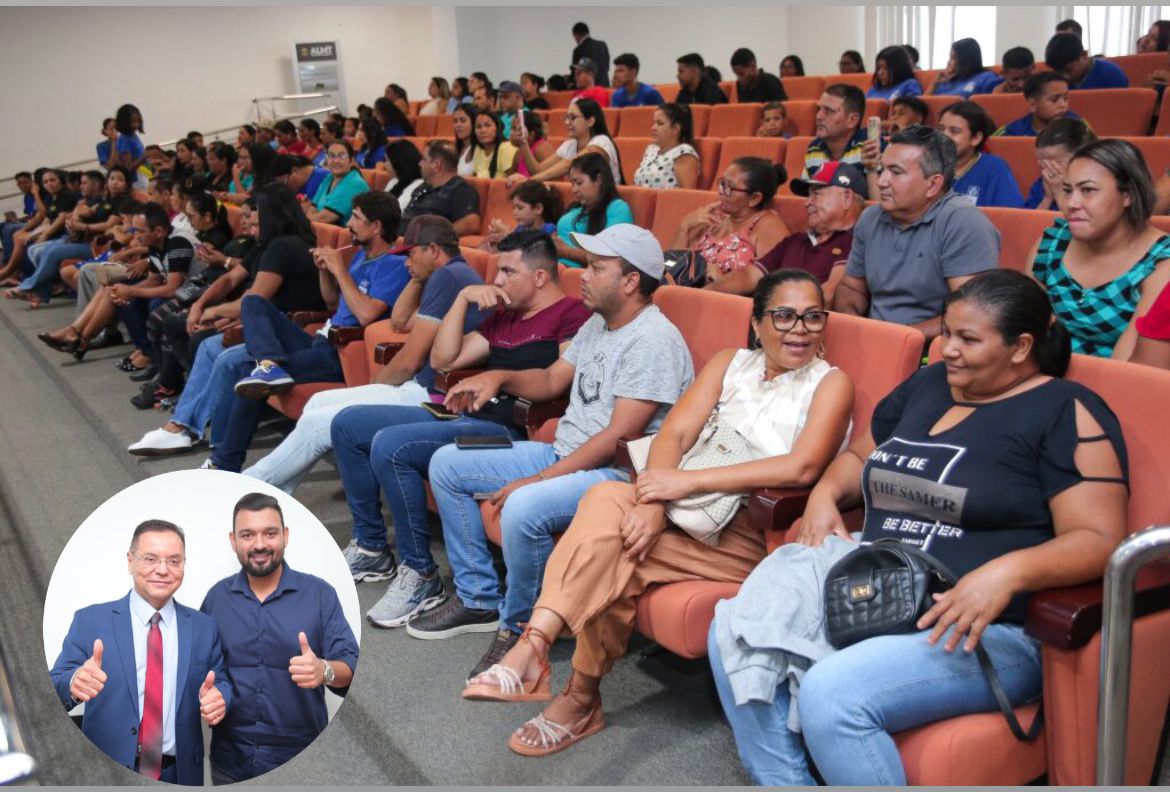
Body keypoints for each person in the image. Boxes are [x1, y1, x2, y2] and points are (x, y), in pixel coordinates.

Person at [710, 268, 1127, 786]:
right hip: (874, 581)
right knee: (734, 628)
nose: (947, 348)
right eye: (947, 332)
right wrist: (823, 494)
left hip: (985, 623)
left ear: (1021, 346)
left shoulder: (1066, 411)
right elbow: (863, 453)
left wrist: (1007, 573)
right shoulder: (932, 383)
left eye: (968, 339)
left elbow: (1100, 539)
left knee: (833, 692)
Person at [461, 266, 853, 758]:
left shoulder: (830, 383)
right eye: (784, 316)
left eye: (813, 317)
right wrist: (653, 502)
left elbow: (802, 466)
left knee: (618, 546)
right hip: (683, 510)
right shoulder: (732, 363)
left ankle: (564, 683)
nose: (799, 329)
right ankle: (539, 650)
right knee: (608, 504)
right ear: (757, 324)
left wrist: (679, 484)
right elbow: (674, 435)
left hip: (748, 532)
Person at [412, 224, 694, 678]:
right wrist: (499, 377)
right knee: (446, 465)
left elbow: (616, 438)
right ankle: (478, 597)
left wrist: (539, 479)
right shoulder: (600, 323)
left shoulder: (654, 340)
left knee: (523, 506)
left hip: (618, 474)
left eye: (596, 268)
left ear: (630, 281)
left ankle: (520, 627)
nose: (580, 275)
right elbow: (550, 381)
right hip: (566, 452)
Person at [332, 231, 592, 620]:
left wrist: (500, 376)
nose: (497, 280)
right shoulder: (505, 315)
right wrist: (461, 300)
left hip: (512, 430)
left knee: (391, 445)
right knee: (349, 424)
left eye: (507, 271)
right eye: (497, 270)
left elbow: (559, 380)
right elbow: (443, 360)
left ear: (539, 277)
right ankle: (372, 548)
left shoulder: (572, 314)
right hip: (468, 416)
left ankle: (420, 574)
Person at [241, 214, 487, 495]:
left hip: (431, 396)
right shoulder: (447, 274)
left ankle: (251, 486)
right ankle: (276, 493)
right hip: (419, 387)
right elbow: (400, 322)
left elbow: (409, 362)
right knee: (317, 403)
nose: (405, 262)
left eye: (410, 254)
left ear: (433, 250)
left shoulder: (448, 277)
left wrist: (372, 388)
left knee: (317, 421)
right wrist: (417, 277)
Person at [203, 191, 411, 472]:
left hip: (341, 353)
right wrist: (325, 272)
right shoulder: (360, 256)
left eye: (357, 218)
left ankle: (224, 463)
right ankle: (269, 363)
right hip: (319, 340)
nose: (349, 223)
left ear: (376, 227)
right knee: (253, 302)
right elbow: (332, 303)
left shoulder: (395, 265)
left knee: (245, 373)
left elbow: (366, 314)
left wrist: (340, 272)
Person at [125, 186, 325, 456]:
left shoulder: (285, 247)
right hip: (268, 324)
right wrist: (199, 304)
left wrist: (214, 312)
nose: (250, 219)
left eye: (256, 213)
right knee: (204, 341)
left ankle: (186, 427)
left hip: (287, 327)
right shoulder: (267, 245)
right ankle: (183, 424)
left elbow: (255, 300)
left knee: (215, 349)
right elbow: (231, 278)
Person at [49, 520, 233, 784]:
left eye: (174, 561)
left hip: (179, 774)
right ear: (130, 561)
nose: (162, 570)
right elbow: (54, 683)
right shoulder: (90, 621)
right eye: (150, 559)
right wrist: (74, 681)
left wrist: (220, 698)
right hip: (106, 770)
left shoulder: (204, 626)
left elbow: (222, 681)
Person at [200, 493, 358, 785]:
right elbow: (204, 670)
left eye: (270, 533)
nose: (259, 544)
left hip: (302, 760)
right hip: (230, 761)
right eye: (248, 534)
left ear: (285, 536)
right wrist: (206, 694)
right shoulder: (216, 599)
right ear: (233, 540)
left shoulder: (319, 595)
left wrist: (323, 669)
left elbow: (350, 666)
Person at [833, 126, 999, 341]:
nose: (881, 181)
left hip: (933, 351)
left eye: (896, 172)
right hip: (872, 342)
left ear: (933, 185)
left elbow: (972, 313)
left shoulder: (963, 222)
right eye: (882, 169)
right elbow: (851, 287)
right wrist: (854, 326)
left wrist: (899, 339)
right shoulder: (870, 218)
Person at [1030, 139, 1170, 359]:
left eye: (1088, 190)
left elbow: (1127, 366)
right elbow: (1022, 331)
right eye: (1067, 190)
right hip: (1042, 375)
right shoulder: (1052, 243)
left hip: (1113, 384)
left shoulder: (1161, 262)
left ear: (1128, 195)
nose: (1071, 203)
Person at [709, 162, 865, 298]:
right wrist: (704, 293)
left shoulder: (856, 243)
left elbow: (831, 293)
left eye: (816, 194)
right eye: (808, 196)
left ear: (847, 198)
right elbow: (749, 275)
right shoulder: (795, 241)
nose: (807, 203)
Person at [669, 157, 790, 280]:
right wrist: (684, 227)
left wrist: (721, 281)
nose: (721, 192)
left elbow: (773, 283)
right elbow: (671, 267)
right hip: (684, 292)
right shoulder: (712, 218)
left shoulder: (768, 225)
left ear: (755, 198)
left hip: (725, 298)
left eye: (729, 188)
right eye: (722, 184)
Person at [510, 98, 621, 186]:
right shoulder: (569, 144)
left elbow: (571, 164)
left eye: (572, 118)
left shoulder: (602, 142)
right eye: (566, 117)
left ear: (590, 121)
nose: (567, 122)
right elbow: (538, 170)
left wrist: (529, 181)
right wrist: (523, 142)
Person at [938, 102, 1025, 208]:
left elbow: (1010, 214)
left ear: (976, 138)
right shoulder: (927, 164)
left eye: (954, 131)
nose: (944, 136)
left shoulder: (994, 167)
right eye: (940, 129)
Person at [554, 153, 634, 266]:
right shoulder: (576, 208)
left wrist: (567, 252)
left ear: (598, 179)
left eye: (579, 183)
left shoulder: (617, 208)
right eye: (572, 184)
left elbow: (612, 258)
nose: (574, 190)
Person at [399, 140, 482, 237]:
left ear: (436, 165)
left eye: (424, 159)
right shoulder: (423, 186)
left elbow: (472, 223)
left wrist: (435, 236)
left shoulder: (461, 190)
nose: (420, 164)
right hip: (399, 240)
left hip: (419, 246)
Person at [1023, 117, 1096, 211]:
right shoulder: (1041, 185)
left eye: (1057, 162)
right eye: (1042, 164)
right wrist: (1047, 199)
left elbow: (1079, 223)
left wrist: (1059, 193)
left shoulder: (1093, 187)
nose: (1047, 169)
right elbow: (1031, 223)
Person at [803, 84, 868, 178]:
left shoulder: (870, 146)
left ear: (852, 120)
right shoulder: (814, 149)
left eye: (828, 111)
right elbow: (807, 191)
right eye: (819, 109)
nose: (818, 116)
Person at [479, 181, 563, 252]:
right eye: (513, 208)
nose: (515, 212)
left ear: (538, 208)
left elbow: (535, 254)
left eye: (520, 208)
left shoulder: (550, 231)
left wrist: (508, 237)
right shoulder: (520, 229)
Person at [300, 140, 369, 226]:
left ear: (351, 160)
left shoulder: (354, 183)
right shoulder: (329, 178)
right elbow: (312, 208)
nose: (336, 161)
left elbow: (324, 218)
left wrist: (307, 219)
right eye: (331, 156)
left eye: (342, 156)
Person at [633, 104, 700, 190]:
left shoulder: (684, 153)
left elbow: (687, 195)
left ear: (676, 129)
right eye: (654, 123)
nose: (653, 128)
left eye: (660, 123)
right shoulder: (651, 149)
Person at [993, 72, 1081, 137]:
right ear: (1032, 105)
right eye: (1054, 100)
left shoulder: (1079, 125)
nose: (1063, 105)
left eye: (1065, 98)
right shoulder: (1012, 132)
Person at [1046, 32, 1129, 89]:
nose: (1064, 77)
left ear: (1083, 55)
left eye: (1068, 70)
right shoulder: (1055, 80)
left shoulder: (1112, 75)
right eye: (1058, 72)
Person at [930, 38, 1003, 98]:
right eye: (950, 57)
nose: (948, 62)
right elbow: (922, 105)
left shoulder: (987, 77)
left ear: (967, 61)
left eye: (953, 58)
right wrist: (934, 83)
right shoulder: (946, 81)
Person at [470, 111, 520, 179]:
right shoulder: (478, 149)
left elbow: (511, 182)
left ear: (497, 128)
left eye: (488, 125)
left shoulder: (507, 147)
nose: (483, 130)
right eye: (478, 127)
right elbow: (474, 179)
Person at [382, 139, 425, 211]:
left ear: (398, 162)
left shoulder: (419, 184)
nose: (384, 165)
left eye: (387, 160)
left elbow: (397, 211)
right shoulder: (394, 181)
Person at [571, 21, 611, 88]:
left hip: (589, 89)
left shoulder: (578, 50)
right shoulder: (602, 45)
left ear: (576, 35)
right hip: (605, 87)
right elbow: (607, 67)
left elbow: (577, 73)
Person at [452, 104, 478, 177]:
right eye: (455, 121)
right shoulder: (454, 149)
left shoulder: (480, 149)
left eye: (463, 121)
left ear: (474, 122)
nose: (458, 125)